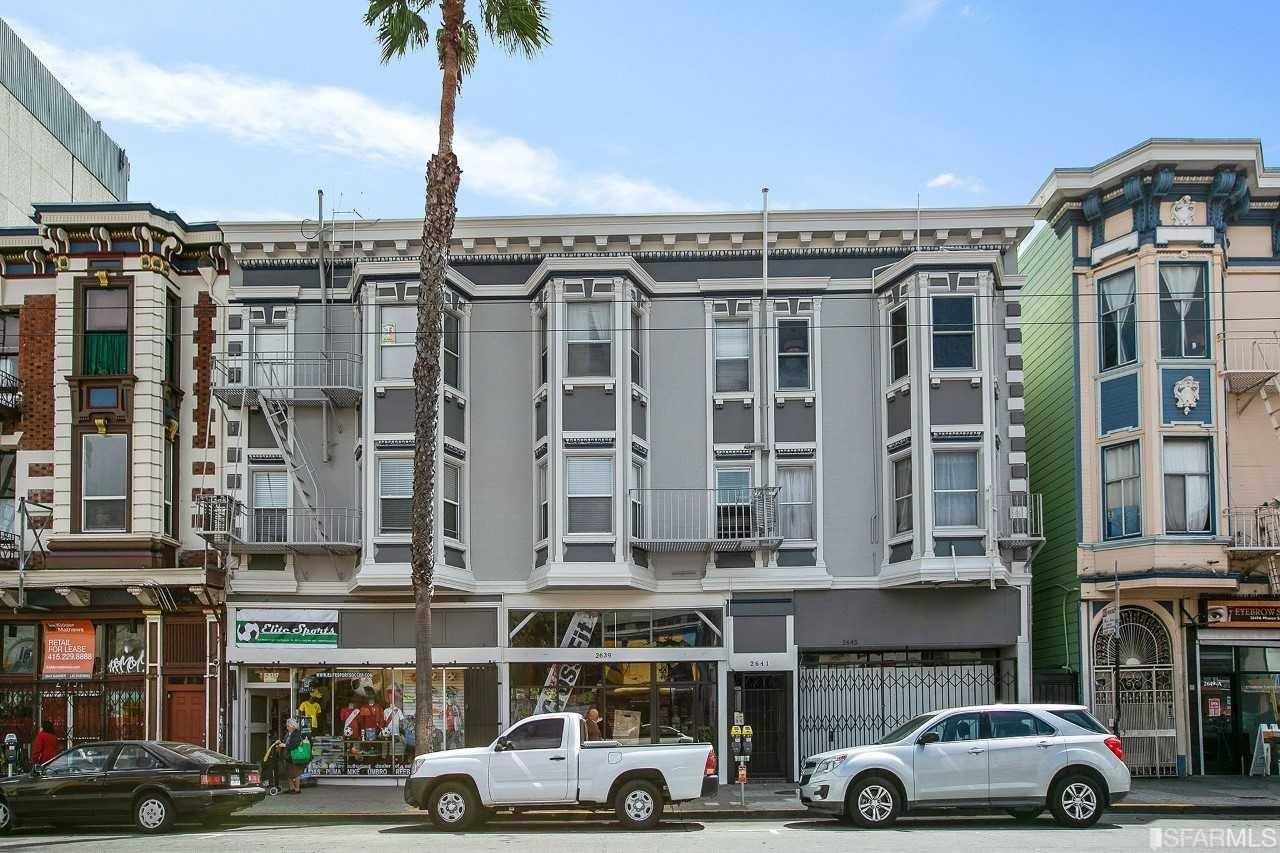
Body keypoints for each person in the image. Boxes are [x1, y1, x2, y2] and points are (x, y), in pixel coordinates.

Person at [278, 718, 306, 794]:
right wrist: (281, 743)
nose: (287, 728)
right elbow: (286, 742)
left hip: (294, 755)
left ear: (293, 726)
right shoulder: (288, 733)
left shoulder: (296, 734)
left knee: (295, 772)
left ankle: (297, 789)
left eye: (288, 726)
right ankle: (291, 788)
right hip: (288, 755)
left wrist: (284, 745)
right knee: (288, 772)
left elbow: (294, 745)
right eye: (287, 726)